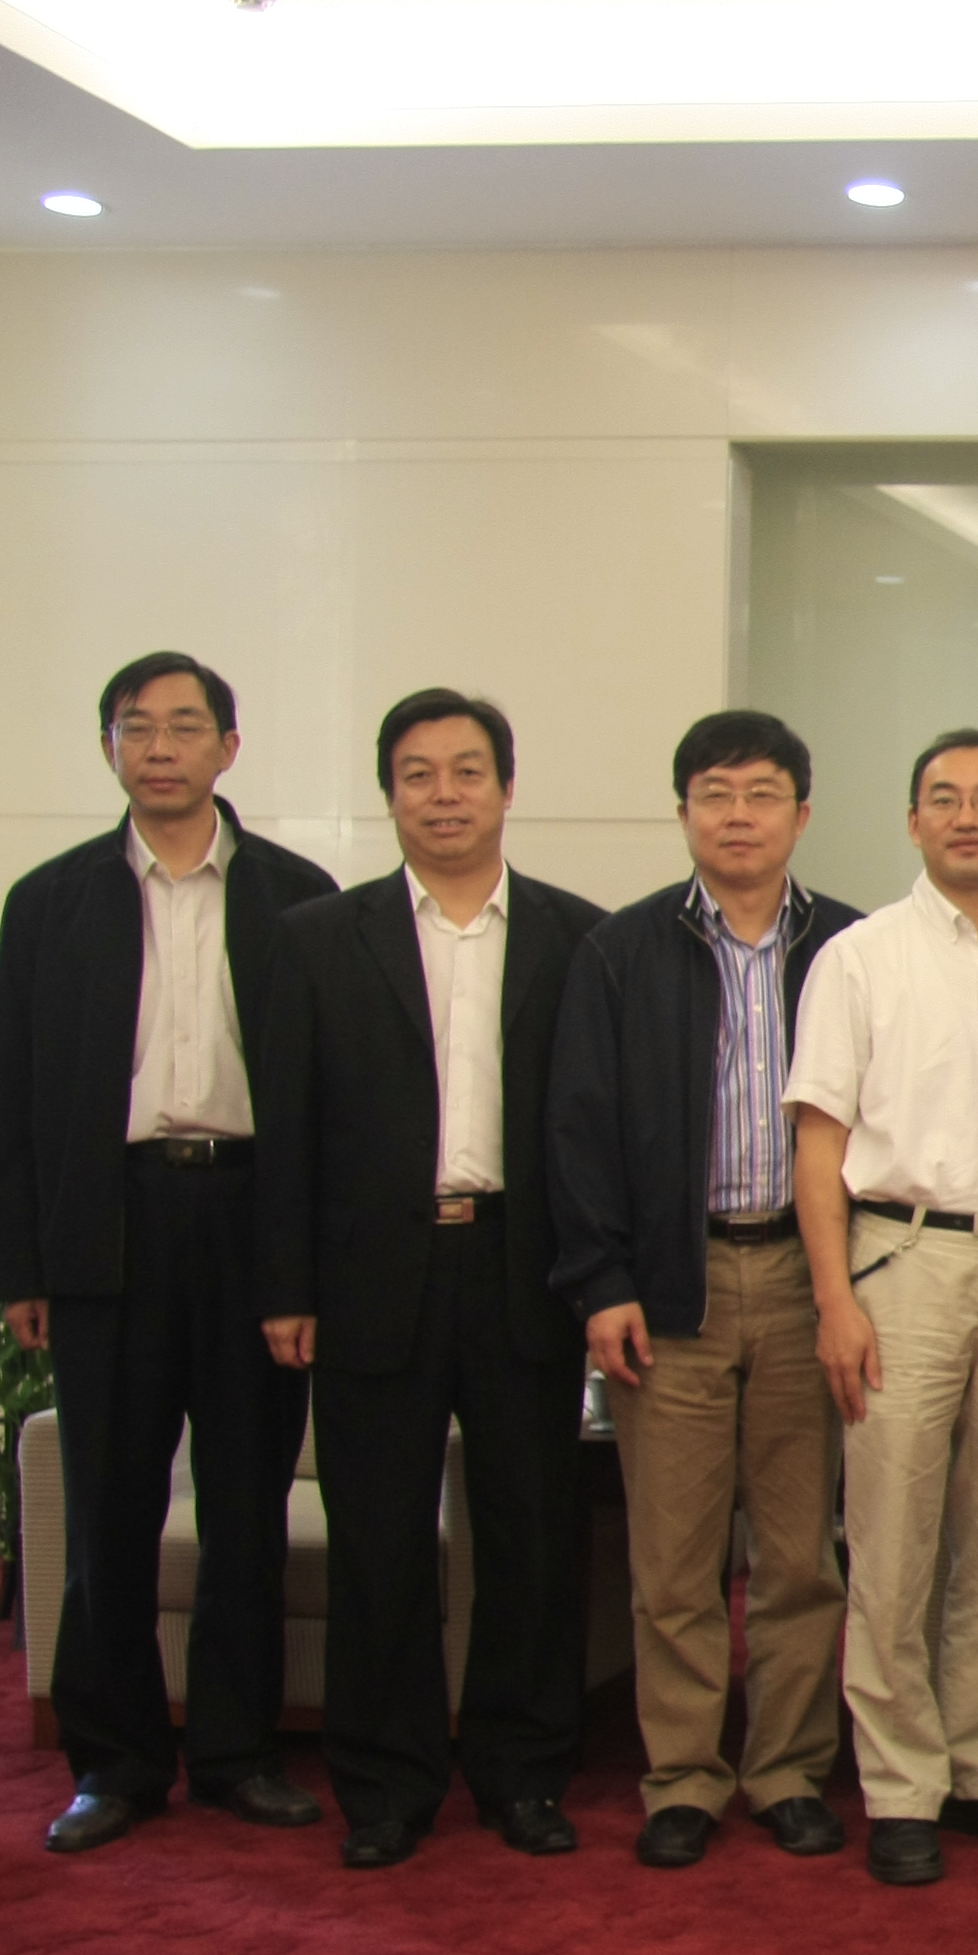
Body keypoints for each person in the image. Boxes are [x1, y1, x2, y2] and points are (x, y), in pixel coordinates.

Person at [0, 652, 338, 1853]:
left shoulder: (298, 896)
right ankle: (116, 1762)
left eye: (187, 727)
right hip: (109, 1224)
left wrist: (303, 1271)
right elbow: (12, 1095)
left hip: (249, 1221)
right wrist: (21, 1264)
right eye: (139, 728)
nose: (162, 748)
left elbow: (321, 1103)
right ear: (110, 748)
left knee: (244, 1508)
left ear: (229, 748)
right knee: (109, 1511)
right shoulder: (50, 901)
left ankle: (236, 1754)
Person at [253, 691, 606, 1870]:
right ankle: (386, 1782)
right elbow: (286, 1129)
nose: (444, 795)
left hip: (524, 1272)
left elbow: (594, 1129)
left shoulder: (576, 937)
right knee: (379, 1539)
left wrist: (600, 1279)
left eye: (466, 771)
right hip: (370, 1278)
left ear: (507, 787)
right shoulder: (318, 938)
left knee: (530, 1537)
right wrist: (286, 1286)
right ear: (389, 793)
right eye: (418, 774)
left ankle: (522, 1771)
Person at [550, 712, 862, 1871]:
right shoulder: (620, 951)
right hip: (668, 1284)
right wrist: (601, 1282)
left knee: (799, 1556)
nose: (739, 816)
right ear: (682, 810)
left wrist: (850, 1288)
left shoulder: (850, 946)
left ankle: (787, 1770)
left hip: (804, 1274)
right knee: (673, 1561)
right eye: (715, 794)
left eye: (762, 793)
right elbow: (577, 1128)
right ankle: (682, 1776)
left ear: (802, 814)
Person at [787, 732, 978, 1888]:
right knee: (893, 1546)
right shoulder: (859, 957)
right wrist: (833, 1300)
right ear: (912, 822)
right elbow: (819, 1146)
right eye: (944, 799)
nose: (968, 816)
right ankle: (901, 1787)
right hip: (898, 1263)